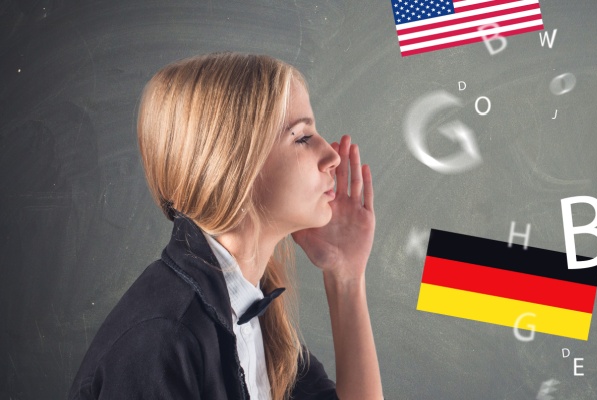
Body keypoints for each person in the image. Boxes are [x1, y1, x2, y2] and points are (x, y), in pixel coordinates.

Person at [67, 52, 383, 400]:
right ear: (234, 166)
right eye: (302, 137)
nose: (332, 156)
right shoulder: (163, 340)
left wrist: (346, 274)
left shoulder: (249, 312)